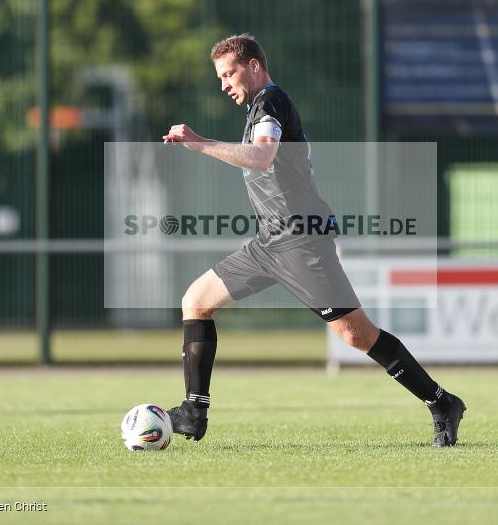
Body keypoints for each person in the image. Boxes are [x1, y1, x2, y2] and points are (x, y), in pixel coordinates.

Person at [161, 34, 466, 447]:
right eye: (219, 78)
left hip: (301, 242)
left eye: (228, 74)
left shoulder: (271, 101)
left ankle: (442, 402)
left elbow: (262, 156)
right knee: (196, 301)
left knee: (357, 335)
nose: (224, 84)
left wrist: (200, 143)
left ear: (254, 66)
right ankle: (193, 412)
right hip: (269, 243)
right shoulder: (257, 108)